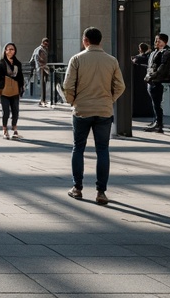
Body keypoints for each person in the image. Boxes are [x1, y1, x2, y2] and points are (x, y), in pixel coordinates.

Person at [62, 27, 125, 205]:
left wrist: (72, 101)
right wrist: (109, 99)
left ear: (85, 40)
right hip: (104, 111)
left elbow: (68, 85)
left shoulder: (77, 59)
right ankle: (101, 192)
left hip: (82, 110)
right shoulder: (112, 61)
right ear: (100, 40)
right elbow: (120, 86)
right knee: (103, 150)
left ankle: (77, 188)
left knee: (78, 148)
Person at [144, 33, 170, 133]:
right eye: (155, 40)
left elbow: (163, 68)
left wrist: (152, 76)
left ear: (164, 42)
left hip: (158, 81)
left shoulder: (167, 52)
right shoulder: (155, 52)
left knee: (157, 103)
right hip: (152, 80)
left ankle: (159, 123)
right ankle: (156, 122)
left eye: (158, 40)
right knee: (155, 103)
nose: (156, 42)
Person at [0, 42, 25, 139]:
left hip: (15, 90)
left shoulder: (17, 63)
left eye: (12, 49)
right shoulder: (0, 62)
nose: (10, 51)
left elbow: (20, 77)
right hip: (4, 89)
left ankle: (15, 129)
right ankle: (5, 130)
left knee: (15, 111)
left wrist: (21, 87)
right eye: (8, 49)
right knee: (6, 111)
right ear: (5, 51)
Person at [31, 38, 50, 105]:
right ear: (43, 42)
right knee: (42, 84)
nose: (47, 45)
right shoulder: (39, 49)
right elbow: (36, 59)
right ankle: (42, 100)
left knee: (44, 83)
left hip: (43, 68)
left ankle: (43, 99)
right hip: (41, 68)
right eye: (46, 43)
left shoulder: (43, 49)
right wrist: (40, 66)